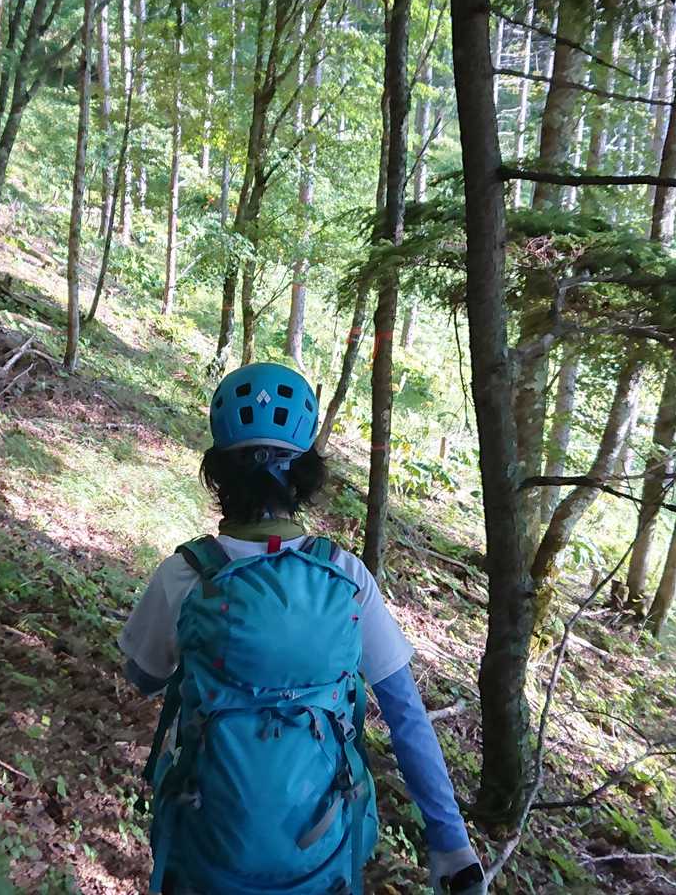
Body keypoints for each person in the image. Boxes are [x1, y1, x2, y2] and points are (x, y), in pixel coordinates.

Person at [120, 362, 488, 894]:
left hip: (206, 848)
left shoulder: (186, 574)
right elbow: (406, 714)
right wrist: (450, 841)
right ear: (306, 475)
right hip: (320, 854)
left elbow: (144, 677)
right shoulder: (345, 576)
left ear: (217, 472)